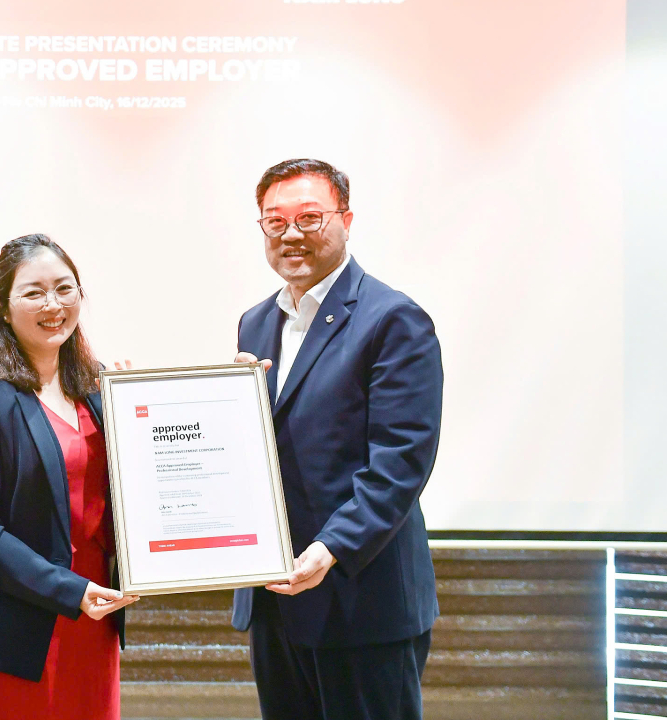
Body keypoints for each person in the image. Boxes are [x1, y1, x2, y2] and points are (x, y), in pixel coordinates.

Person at [232, 158, 443, 720]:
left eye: (309, 217)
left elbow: (401, 462)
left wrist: (331, 548)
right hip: (275, 596)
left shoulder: (393, 319)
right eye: (275, 221)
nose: (291, 234)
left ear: (346, 220)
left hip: (360, 597)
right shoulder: (256, 323)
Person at [0, 233, 138, 720]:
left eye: (65, 289)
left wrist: (138, 407)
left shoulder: (99, 388)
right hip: (9, 633)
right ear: (4, 308)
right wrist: (68, 590)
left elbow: (133, 491)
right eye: (34, 292)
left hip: (93, 618)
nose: (53, 304)